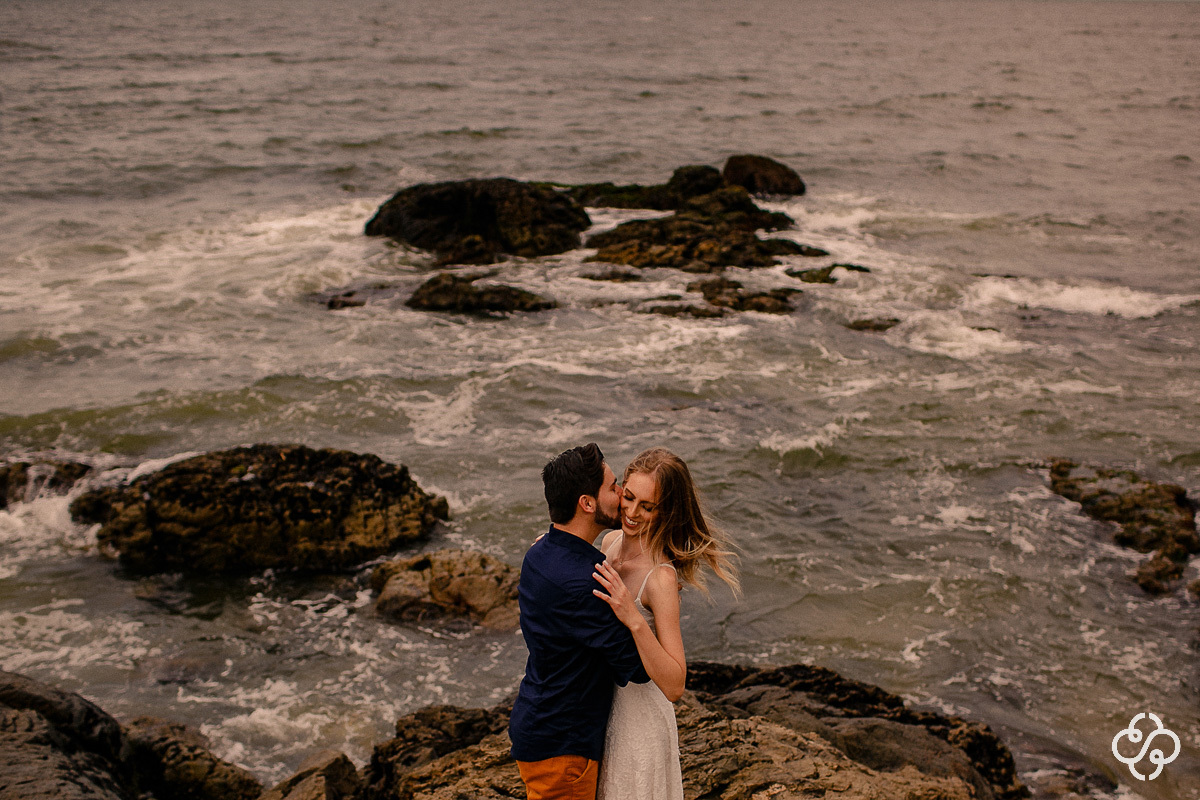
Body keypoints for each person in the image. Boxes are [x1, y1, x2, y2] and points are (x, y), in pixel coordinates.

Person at [590, 446, 740, 800]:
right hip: (599, 711)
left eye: (648, 507)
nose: (631, 512)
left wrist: (634, 620)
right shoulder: (609, 543)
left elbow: (675, 685)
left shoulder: (659, 579)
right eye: (628, 497)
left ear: (665, 512)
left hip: (639, 727)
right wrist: (556, 547)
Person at [509, 443, 651, 800]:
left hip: (538, 722)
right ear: (587, 503)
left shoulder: (540, 552)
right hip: (563, 747)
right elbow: (635, 668)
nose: (621, 494)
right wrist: (638, 614)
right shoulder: (586, 583)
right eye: (613, 486)